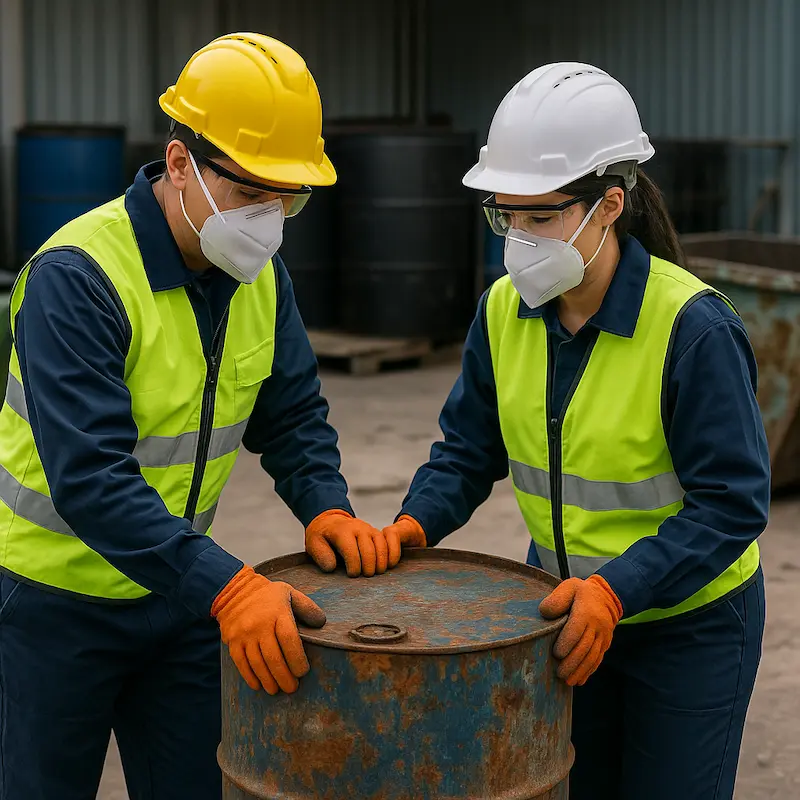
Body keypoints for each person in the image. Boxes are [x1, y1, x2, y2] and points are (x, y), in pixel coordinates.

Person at [0, 33, 418, 800]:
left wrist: (323, 504)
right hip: (51, 611)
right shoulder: (79, 277)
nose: (271, 216)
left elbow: (290, 414)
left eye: (288, 196)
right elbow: (90, 479)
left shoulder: (255, 273)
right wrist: (231, 591)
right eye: (253, 192)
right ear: (181, 163)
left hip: (175, 592)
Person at [381, 62, 769, 800]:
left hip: (689, 626)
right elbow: (468, 449)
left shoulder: (693, 328)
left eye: (541, 217)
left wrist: (618, 591)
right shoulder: (503, 312)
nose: (518, 240)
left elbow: (732, 504)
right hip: (564, 611)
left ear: (609, 205)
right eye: (505, 216)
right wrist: (413, 524)